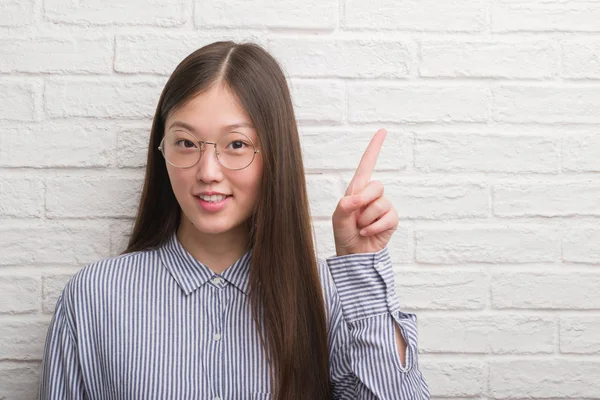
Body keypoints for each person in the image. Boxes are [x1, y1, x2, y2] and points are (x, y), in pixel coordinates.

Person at [39, 41, 430, 399]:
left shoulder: (331, 297)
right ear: (162, 150)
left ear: (273, 155)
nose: (208, 171)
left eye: (237, 145)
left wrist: (360, 267)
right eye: (186, 143)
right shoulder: (93, 297)